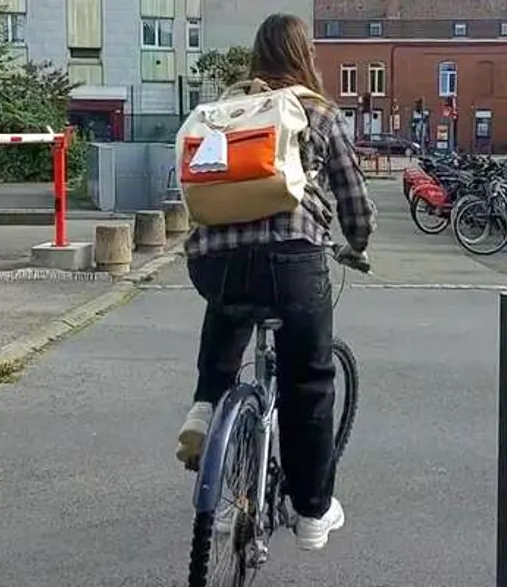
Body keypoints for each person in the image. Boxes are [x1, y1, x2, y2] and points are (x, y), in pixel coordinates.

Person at [174, 13, 377, 551]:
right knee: (308, 382)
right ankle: (312, 512)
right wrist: (356, 242)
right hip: (292, 262)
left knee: (230, 303)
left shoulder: (224, 110)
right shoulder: (319, 113)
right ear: (303, 53)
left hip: (212, 260)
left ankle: (208, 404)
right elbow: (354, 202)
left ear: (256, 54)